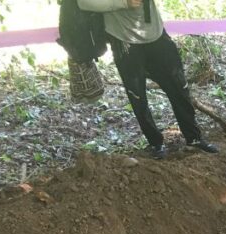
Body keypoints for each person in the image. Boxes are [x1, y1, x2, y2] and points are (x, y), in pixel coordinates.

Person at [77, 0, 218, 159]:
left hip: (155, 33)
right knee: (137, 95)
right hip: (123, 38)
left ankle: (194, 138)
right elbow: (84, 3)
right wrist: (125, 3)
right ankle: (156, 144)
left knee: (179, 86)